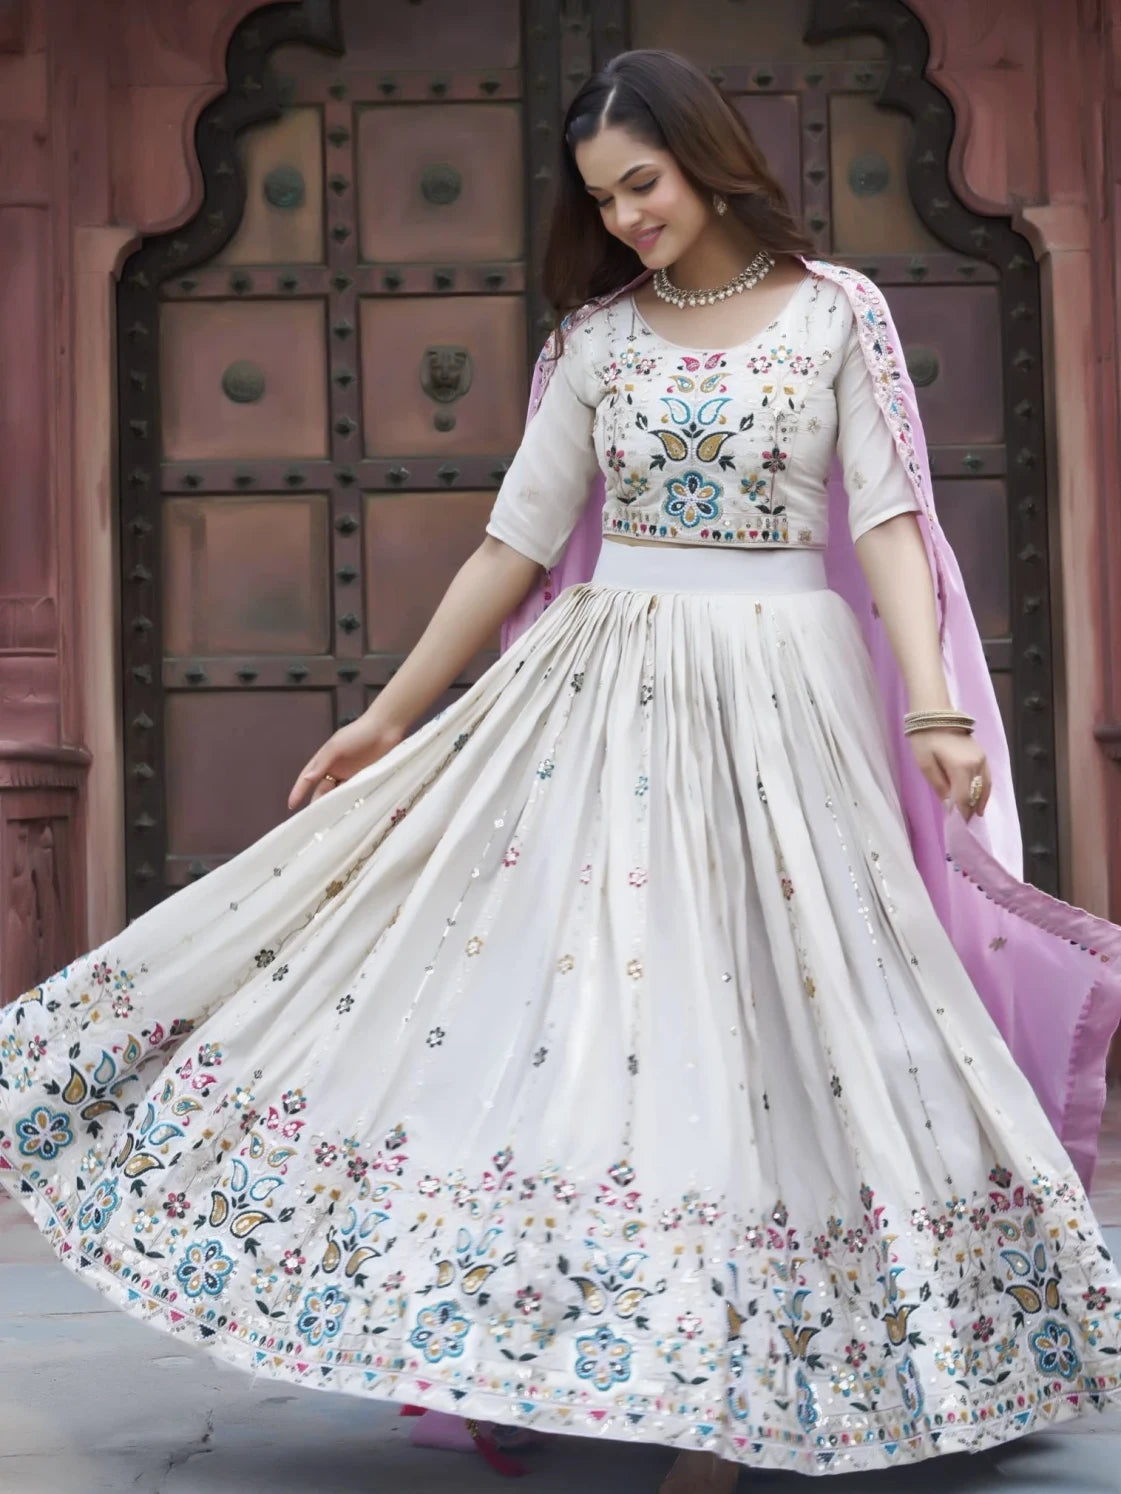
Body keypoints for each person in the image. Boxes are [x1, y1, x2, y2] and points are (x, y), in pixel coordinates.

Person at [2, 47, 1121, 1494]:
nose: (626, 217)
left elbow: (892, 521)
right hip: (604, 693)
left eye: (641, 184)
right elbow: (509, 544)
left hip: (789, 685)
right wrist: (392, 714)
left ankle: (769, 1377)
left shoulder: (839, 312)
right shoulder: (595, 344)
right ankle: (585, 1345)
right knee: (602, 1011)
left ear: (706, 158)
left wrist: (931, 709)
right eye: (602, 199)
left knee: (795, 1016)